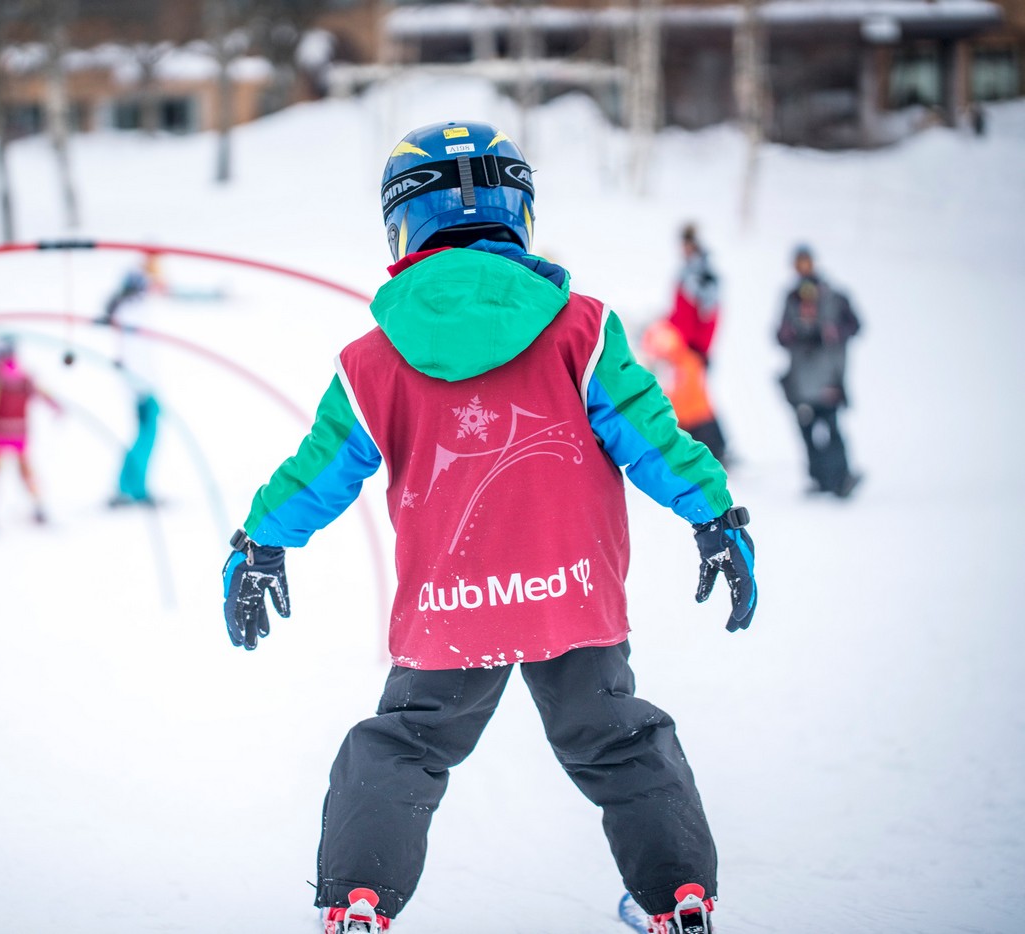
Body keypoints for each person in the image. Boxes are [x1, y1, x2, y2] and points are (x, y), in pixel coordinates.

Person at [220, 121, 757, 934]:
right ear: (518, 212)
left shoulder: (374, 360)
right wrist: (713, 514)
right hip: (569, 594)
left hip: (452, 606)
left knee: (404, 746)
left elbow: (321, 468)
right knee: (618, 741)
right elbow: (651, 436)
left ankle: (359, 900)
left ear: (402, 223)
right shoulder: (581, 330)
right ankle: (679, 896)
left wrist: (262, 540)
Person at [776, 245, 862, 498]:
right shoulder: (791, 298)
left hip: (828, 377)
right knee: (808, 431)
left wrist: (832, 332)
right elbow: (779, 334)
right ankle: (820, 478)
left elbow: (855, 325)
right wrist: (793, 333)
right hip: (801, 379)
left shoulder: (834, 296)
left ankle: (841, 478)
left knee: (832, 428)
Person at [0, 337, 59, 527]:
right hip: (20, 433)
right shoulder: (24, 378)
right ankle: (38, 506)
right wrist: (55, 406)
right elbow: (42, 394)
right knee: (25, 471)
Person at [103, 260, 162, 508]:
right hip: (141, 386)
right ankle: (131, 488)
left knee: (144, 436)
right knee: (145, 437)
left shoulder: (127, 310)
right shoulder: (130, 310)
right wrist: (140, 386)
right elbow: (133, 353)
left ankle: (131, 486)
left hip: (141, 384)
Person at [642, 319, 727, 464]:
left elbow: (682, 395)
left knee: (709, 457)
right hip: (694, 421)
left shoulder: (684, 363)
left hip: (698, 421)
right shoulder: (675, 363)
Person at [667, 223, 720, 366]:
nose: (685, 248)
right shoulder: (684, 272)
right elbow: (679, 312)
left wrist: (700, 349)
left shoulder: (705, 275)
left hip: (694, 352)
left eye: (688, 244)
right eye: (683, 244)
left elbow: (710, 315)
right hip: (678, 347)